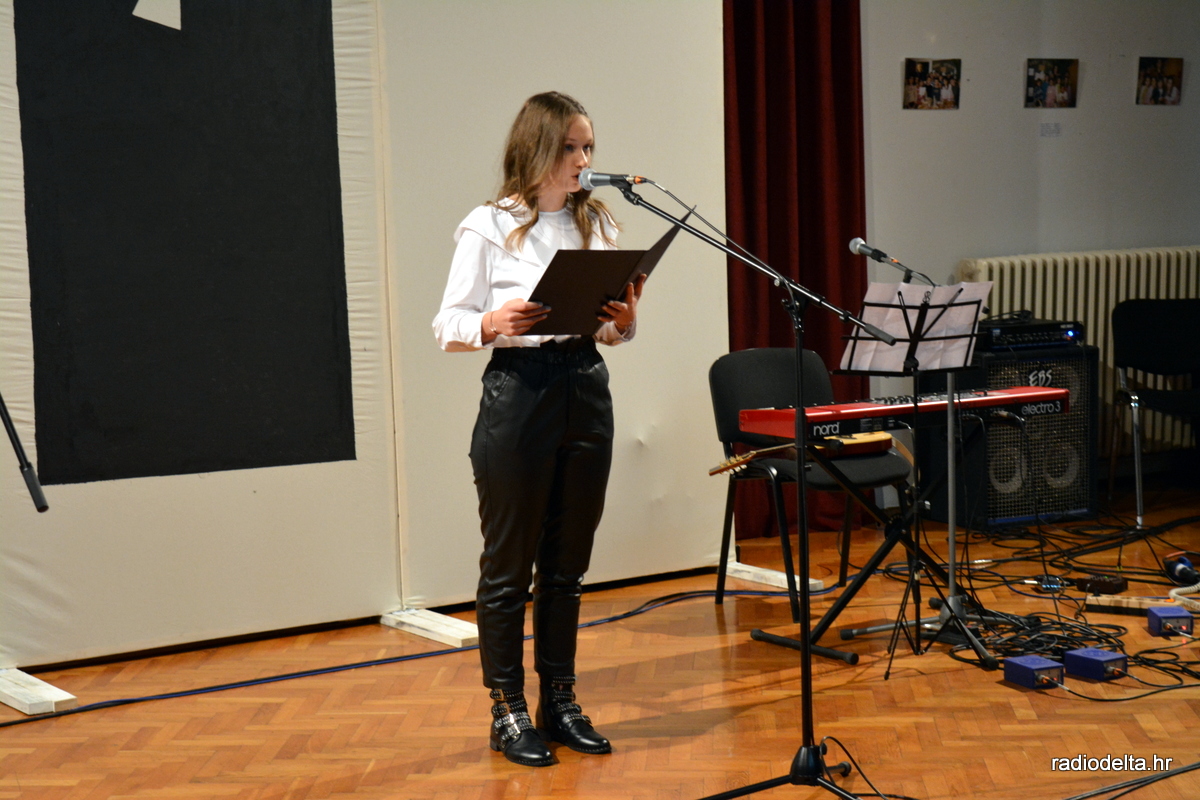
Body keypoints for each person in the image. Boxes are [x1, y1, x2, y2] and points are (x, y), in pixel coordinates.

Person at [432, 91, 645, 768]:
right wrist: (492, 322)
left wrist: (624, 322)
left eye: (589, 148)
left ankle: (560, 701)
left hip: (584, 385)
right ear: (538, 149)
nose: (584, 160)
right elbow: (448, 325)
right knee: (508, 568)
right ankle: (507, 709)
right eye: (571, 148)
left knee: (567, 567)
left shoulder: (597, 222)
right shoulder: (489, 225)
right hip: (519, 393)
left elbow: (609, 331)